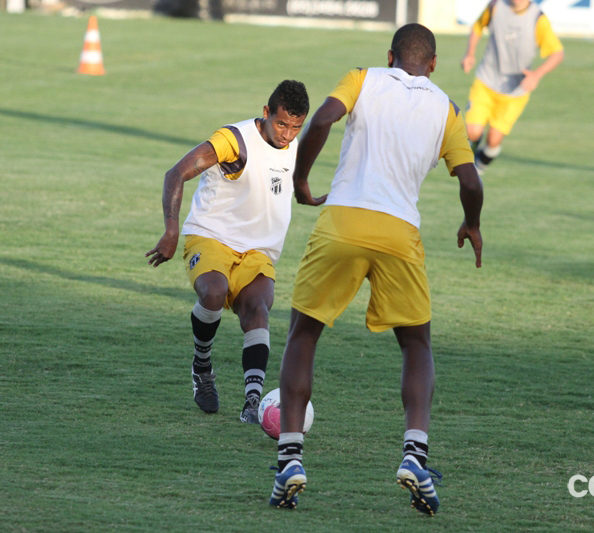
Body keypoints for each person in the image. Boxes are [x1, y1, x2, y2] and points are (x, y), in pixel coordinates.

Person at [268, 24, 483, 516]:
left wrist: (301, 180)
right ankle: (414, 454)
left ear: (390, 56)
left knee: (304, 333)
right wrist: (472, 224)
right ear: (433, 64)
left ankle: (290, 460)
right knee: (416, 343)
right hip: (398, 233)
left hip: (343, 220)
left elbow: (322, 119)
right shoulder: (447, 108)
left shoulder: (362, 78)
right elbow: (470, 181)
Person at [145, 80, 310, 424]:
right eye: (281, 124)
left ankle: (252, 403)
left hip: (257, 250)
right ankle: (202, 366)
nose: (287, 134)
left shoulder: (293, 145)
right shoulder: (234, 141)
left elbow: (282, 181)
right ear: (266, 112)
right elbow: (176, 173)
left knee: (258, 308)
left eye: (296, 127)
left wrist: (305, 194)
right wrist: (171, 230)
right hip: (211, 236)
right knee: (214, 292)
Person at [461, 0, 564, 174]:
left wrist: (537, 75)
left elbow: (557, 53)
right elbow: (477, 27)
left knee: (493, 140)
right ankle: (470, 170)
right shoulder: (495, 6)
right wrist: (469, 53)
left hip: (515, 91)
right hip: (486, 81)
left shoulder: (538, 19)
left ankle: (479, 166)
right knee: (472, 132)